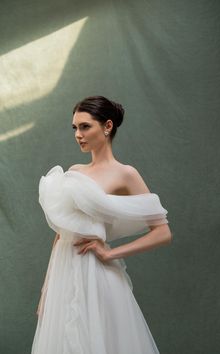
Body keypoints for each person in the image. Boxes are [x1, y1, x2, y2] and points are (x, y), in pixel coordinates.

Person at [31, 95, 172, 354]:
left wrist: (110, 252)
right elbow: (61, 235)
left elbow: (162, 232)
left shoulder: (125, 174)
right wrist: (46, 291)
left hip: (96, 274)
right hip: (64, 275)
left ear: (107, 126)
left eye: (85, 126)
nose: (78, 134)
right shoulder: (74, 172)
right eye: (75, 127)